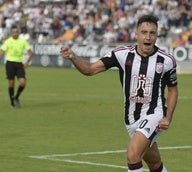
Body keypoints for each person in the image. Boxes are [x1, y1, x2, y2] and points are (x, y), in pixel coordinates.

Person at [60, 14, 178, 172]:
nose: (148, 37)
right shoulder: (122, 55)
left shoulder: (166, 60)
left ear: (157, 35)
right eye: (144, 32)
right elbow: (90, 69)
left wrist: (167, 117)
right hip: (131, 119)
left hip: (154, 114)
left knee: (133, 155)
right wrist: (73, 57)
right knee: (155, 164)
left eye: (152, 33)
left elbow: (173, 90)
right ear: (136, 34)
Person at [0, 25, 33, 108]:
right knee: (11, 83)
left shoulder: (22, 41)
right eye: (13, 32)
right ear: (11, 33)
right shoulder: (8, 41)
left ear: (18, 32)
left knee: (23, 82)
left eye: (16, 32)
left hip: (19, 64)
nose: (15, 33)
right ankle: (12, 103)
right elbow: (2, 52)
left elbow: (30, 52)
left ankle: (16, 97)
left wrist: (27, 62)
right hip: (10, 64)